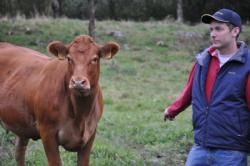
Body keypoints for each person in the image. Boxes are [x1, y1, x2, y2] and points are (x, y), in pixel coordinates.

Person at [164, 8, 250, 166]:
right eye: (211, 29)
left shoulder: (247, 65)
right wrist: (173, 109)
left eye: (219, 29)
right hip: (200, 146)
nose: (213, 34)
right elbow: (190, 90)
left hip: (232, 151)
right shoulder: (203, 60)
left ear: (235, 31)